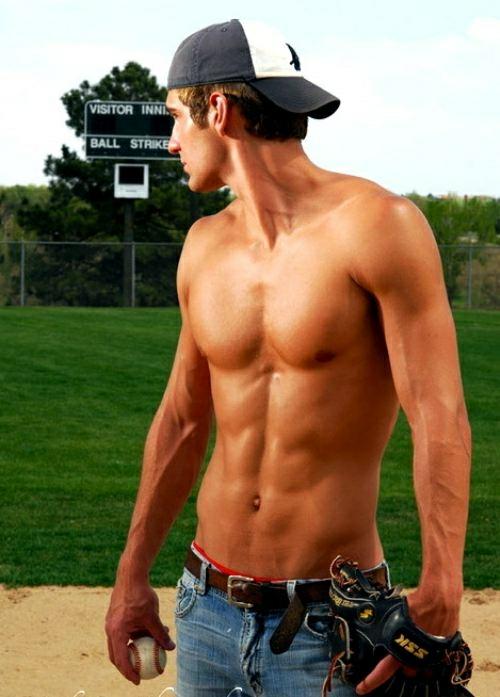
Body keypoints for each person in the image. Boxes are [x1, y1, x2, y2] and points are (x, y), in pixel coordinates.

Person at [105, 19, 471, 697]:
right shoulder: (204, 245)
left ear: (218, 109)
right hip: (205, 608)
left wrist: (443, 583)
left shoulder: (379, 226)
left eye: (175, 116)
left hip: (329, 628)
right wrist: (132, 574)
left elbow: (438, 412)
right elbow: (182, 420)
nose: (172, 141)